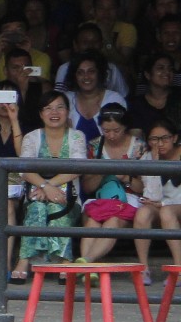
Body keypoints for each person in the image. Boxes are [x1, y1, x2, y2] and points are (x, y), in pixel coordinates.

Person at [11, 91, 86, 282]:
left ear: (68, 112)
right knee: (36, 207)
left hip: (68, 196)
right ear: (41, 114)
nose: (54, 112)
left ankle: (63, 259)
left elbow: (78, 167)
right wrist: (44, 186)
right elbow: (24, 169)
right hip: (36, 194)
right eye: (48, 108)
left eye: (60, 107)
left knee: (57, 206)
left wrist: (49, 186)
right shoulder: (31, 137)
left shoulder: (77, 136)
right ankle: (24, 259)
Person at [77, 105, 147, 263]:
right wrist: (101, 171)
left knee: (113, 220)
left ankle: (86, 262)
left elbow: (144, 188)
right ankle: (88, 266)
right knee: (92, 222)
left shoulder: (139, 147)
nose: (111, 135)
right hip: (102, 199)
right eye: (106, 131)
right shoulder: (95, 147)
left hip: (128, 200)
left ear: (125, 127)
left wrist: (126, 178)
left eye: (117, 130)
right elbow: (87, 188)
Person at [131, 119, 181, 268]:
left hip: (173, 206)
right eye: (154, 139)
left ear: (175, 138)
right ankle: (143, 268)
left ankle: (179, 268)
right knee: (143, 213)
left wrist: (163, 204)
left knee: (166, 211)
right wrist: (155, 162)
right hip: (161, 206)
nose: (159, 144)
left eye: (164, 138)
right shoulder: (147, 157)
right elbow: (151, 194)